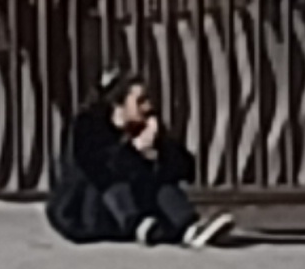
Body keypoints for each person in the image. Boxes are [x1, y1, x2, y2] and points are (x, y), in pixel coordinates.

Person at [46, 72, 227, 247]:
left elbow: (186, 169)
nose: (147, 107)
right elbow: (100, 167)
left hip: (126, 214)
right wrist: (134, 149)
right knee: (114, 179)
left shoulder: (146, 126)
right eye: (140, 101)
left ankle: (189, 228)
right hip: (84, 214)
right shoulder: (89, 126)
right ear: (119, 104)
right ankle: (141, 225)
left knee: (160, 182)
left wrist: (160, 150)